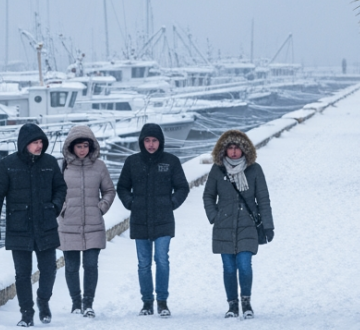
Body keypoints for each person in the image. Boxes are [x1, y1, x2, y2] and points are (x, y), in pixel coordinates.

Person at [0, 123, 67, 327]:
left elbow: (60, 188)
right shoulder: (7, 164)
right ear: (24, 144)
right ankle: (26, 314)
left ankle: (43, 300)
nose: (39, 146)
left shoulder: (49, 162)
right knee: (22, 274)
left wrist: (55, 206)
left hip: (45, 224)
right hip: (19, 226)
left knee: (49, 269)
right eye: (35, 142)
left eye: (41, 142)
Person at [116, 123, 189, 317]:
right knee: (144, 263)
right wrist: (131, 203)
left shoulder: (171, 162)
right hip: (140, 219)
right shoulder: (132, 162)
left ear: (160, 141)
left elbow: (182, 187)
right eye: (147, 140)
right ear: (141, 141)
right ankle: (147, 302)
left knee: (162, 260)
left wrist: (171, 203)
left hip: (164, 219)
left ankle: (162, 302)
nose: (150, 144)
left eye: (154, 140)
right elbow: (122, 187)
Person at [203, 129, 274, 319]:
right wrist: (215, 216)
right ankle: (232, 305)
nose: (234, 151)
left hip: (247, 224)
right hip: (223, 226)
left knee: (244, 264)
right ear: (223, 150)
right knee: (228, 267)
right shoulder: (217, 170)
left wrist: (268, 225)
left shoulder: (255, 169)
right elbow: (208, 195)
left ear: (245, 149)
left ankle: (246, 301)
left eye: (237, 147)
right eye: (230, 148)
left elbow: (263, 199)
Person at [57, 125, 116, 318]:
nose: (82, 150)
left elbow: (109, 190)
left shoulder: (99, 166)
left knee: (91, 265)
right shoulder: (61, 166)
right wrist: (62, 209)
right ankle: (76, 304)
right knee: (71, 267)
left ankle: (88, 303)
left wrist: (101, 207)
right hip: (68, 224)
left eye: (85, 146)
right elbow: (52, 192)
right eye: (79, 146)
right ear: (71, 147)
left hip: (93, 225)